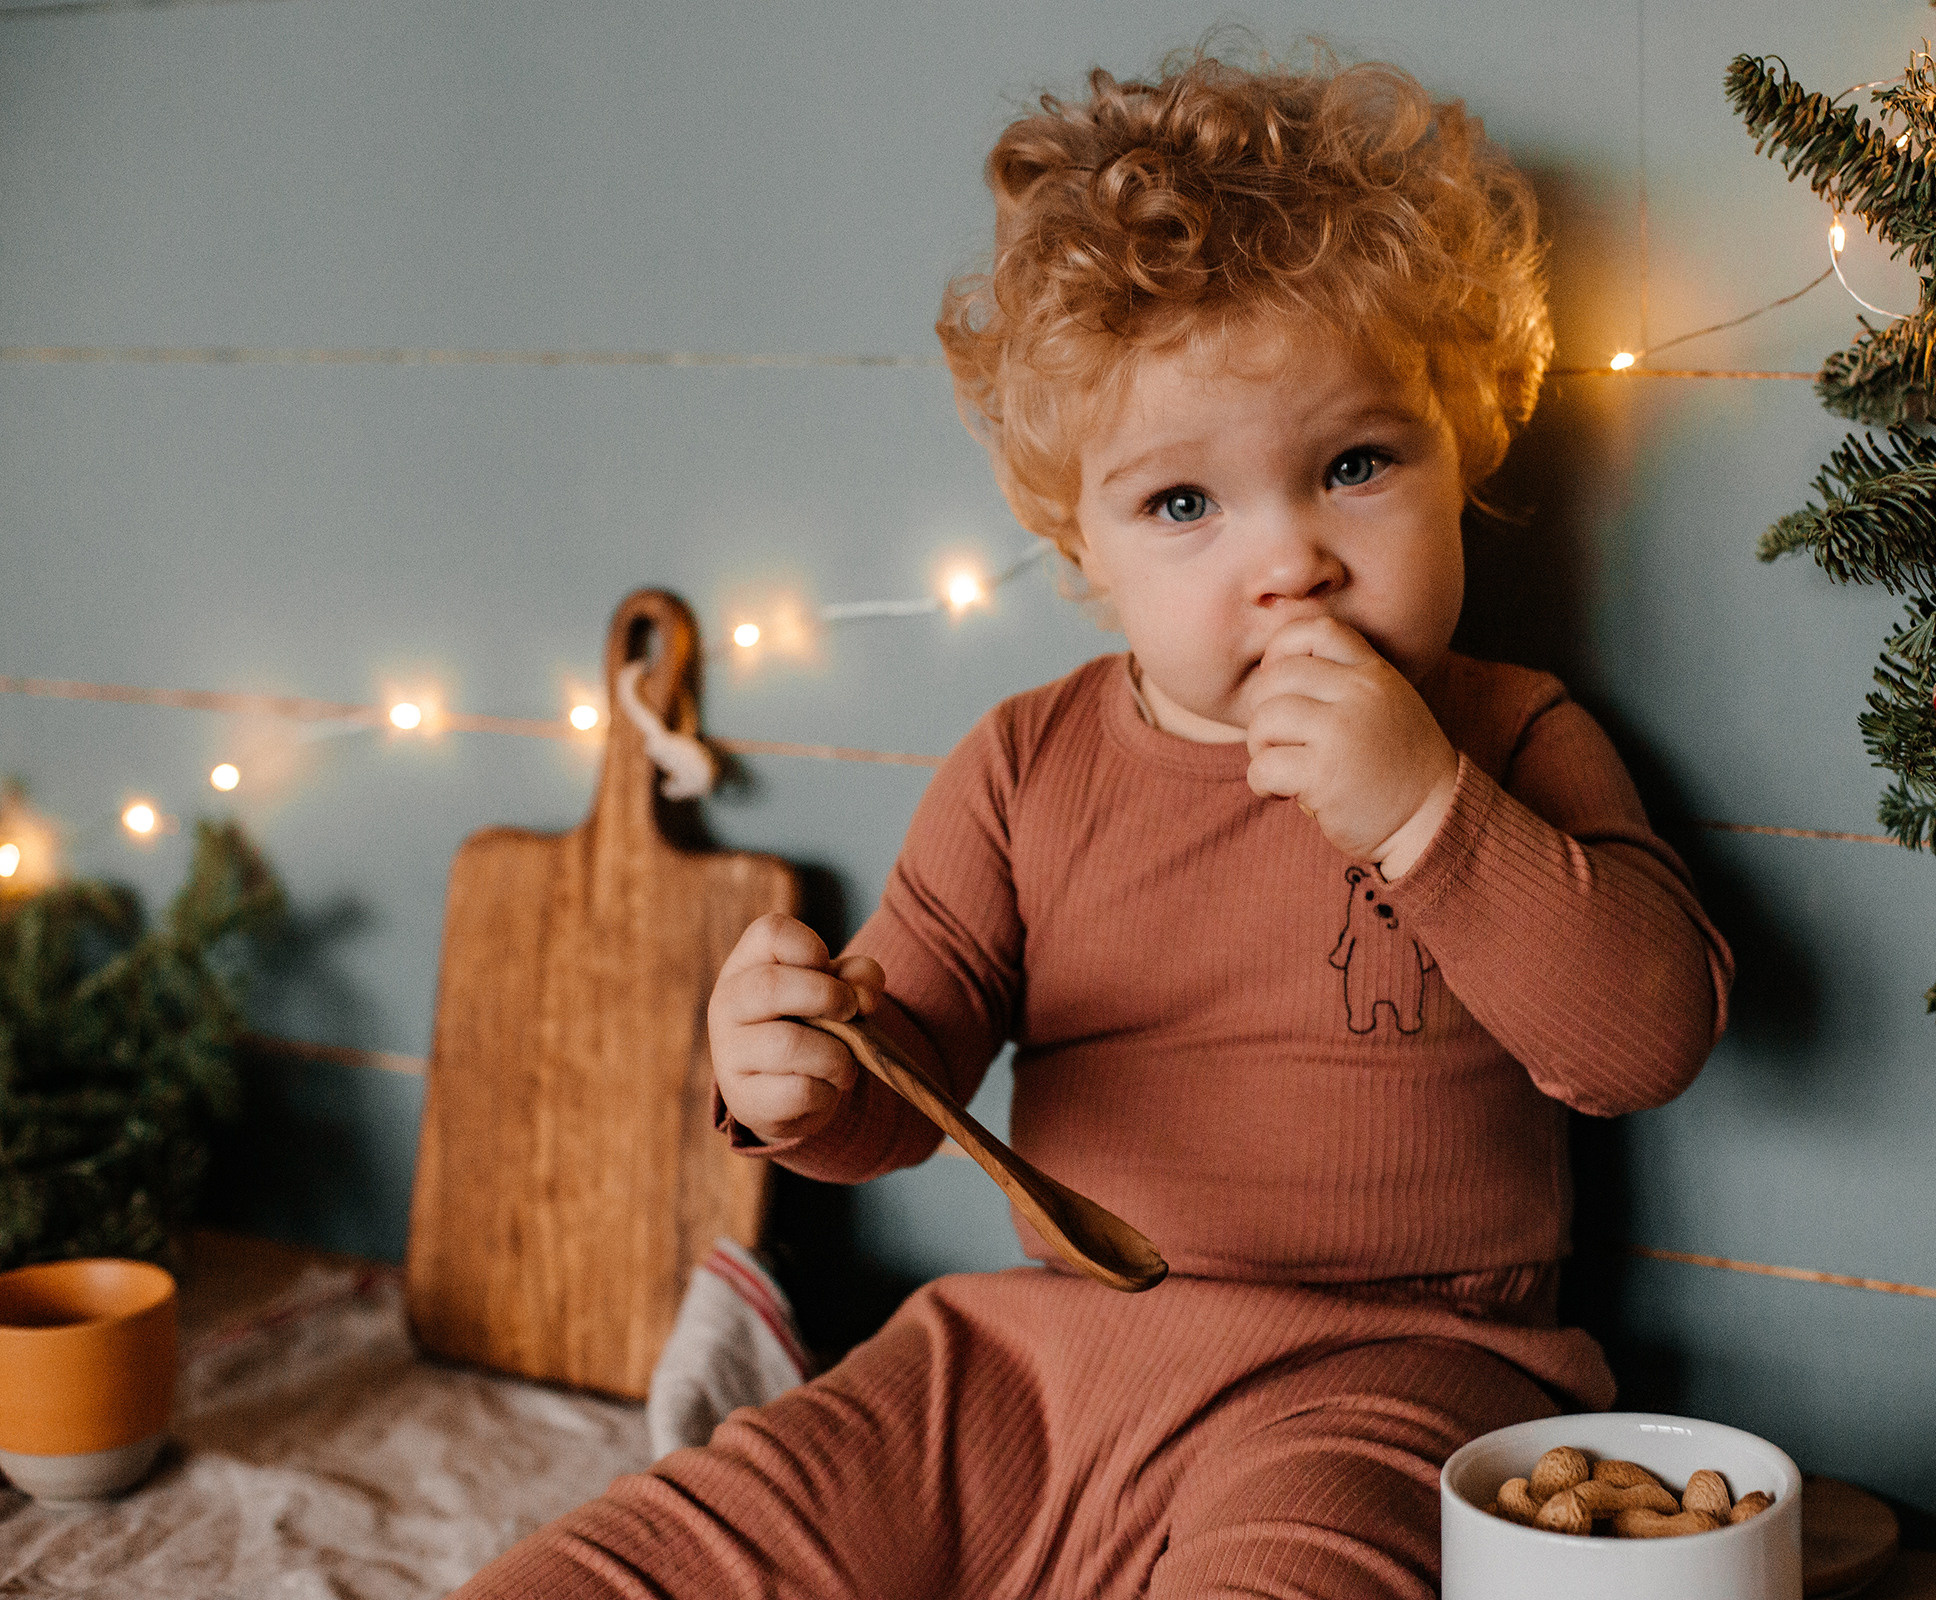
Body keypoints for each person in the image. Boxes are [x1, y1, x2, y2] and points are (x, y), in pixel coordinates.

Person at [458, 44, 1731, 1600]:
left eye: (1353, 466)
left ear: (1463, 441)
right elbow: (900, 1070)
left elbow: (1642, 1040)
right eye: (1184, 505)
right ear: (1082, 544)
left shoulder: (1512, 736)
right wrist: (791, 1076)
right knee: (656, 1550)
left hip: (1399, 1379)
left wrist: (1425, 812)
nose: (1292, 564)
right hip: (1025, 1365)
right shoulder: (1023, 767)